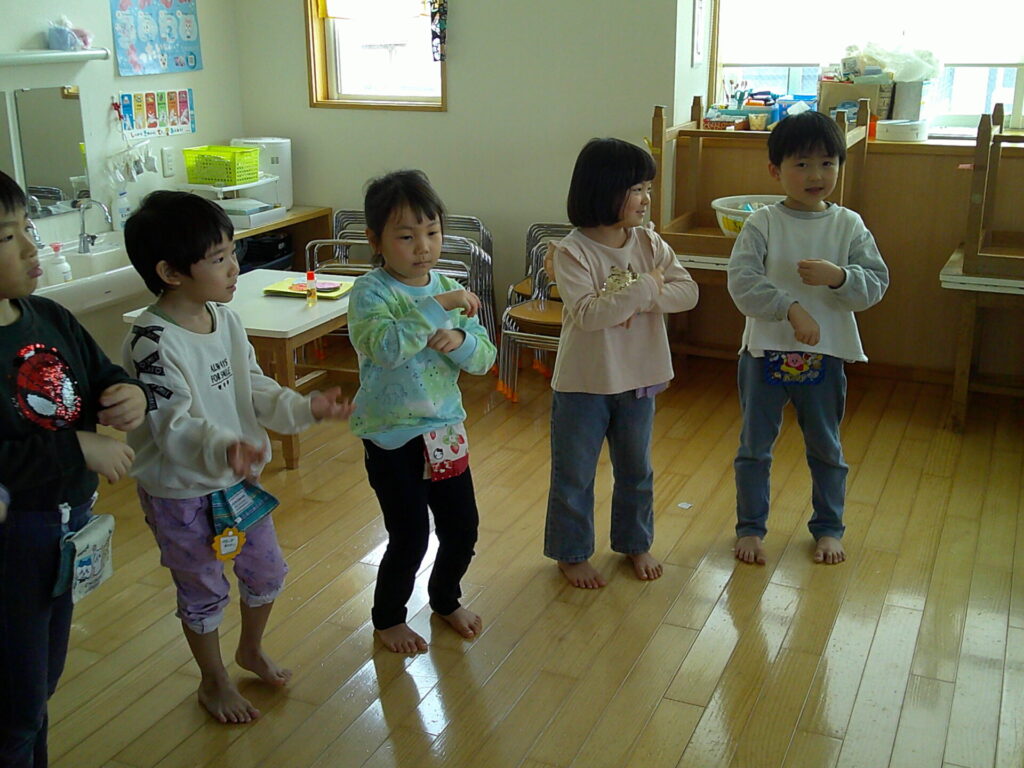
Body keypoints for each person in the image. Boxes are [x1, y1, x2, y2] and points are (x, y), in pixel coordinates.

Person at [121, 191, 352, 724]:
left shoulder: (224, 319)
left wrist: (305, 408)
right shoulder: (150, 342)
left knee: (266, 570)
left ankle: (250, 649)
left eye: (232, 252)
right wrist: (223, 445)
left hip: (239, 482)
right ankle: (213, 679)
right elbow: (171, 423)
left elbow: (254, 386)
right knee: (202, 589)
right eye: (219, 257)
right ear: (170, 272)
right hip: (181, 492)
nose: (234, 267)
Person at [0, 170, 146, 766]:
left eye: (25, 228)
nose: (30, 246)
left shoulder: (47, 315)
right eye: (6, 236)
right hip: (16, 536)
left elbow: (99, 372)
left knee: (41, 681)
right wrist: (76, 448)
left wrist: (125, 393)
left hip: (67, 522)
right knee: (15, 700)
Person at [727, 110, 889, 566]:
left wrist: (840, 277)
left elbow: (875, 282)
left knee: (825, 446)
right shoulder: (763, 223)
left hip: (825, 355)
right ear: (775, 170)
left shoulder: (848, 225)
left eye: (827, 163)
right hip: (765, 353)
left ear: (840, 165)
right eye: (801, 164)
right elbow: (742, 283)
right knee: (755, 448)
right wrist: (790, 308)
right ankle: (750, 528)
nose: (816, 175)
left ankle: (829, 528)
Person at [348, 170, 496, 654]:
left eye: (432, 232)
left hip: (445, 430)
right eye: (406, 236)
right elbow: (387, 348)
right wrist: (438, 307)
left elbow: (484, 358)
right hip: (390, 435)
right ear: (375, 240)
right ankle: (389, 618)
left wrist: (460, 339)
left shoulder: (449, 286)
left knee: (462, 529)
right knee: (409, 535)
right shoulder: (371, 292)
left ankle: (445, 599)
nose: (423, 247)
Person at [544, 138, 699, 589]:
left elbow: (688, 292)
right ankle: (571, 553)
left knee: (636, 470)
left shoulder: (649, 243)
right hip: (583, 383)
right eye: (636, 189)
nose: (646, 199)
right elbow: (590, 315)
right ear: (604, 189)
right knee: (574, 475)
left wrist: (638, 297)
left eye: (647, 188)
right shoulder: (571, 251)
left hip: (639, 379)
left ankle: (635, 542)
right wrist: (647, 287)